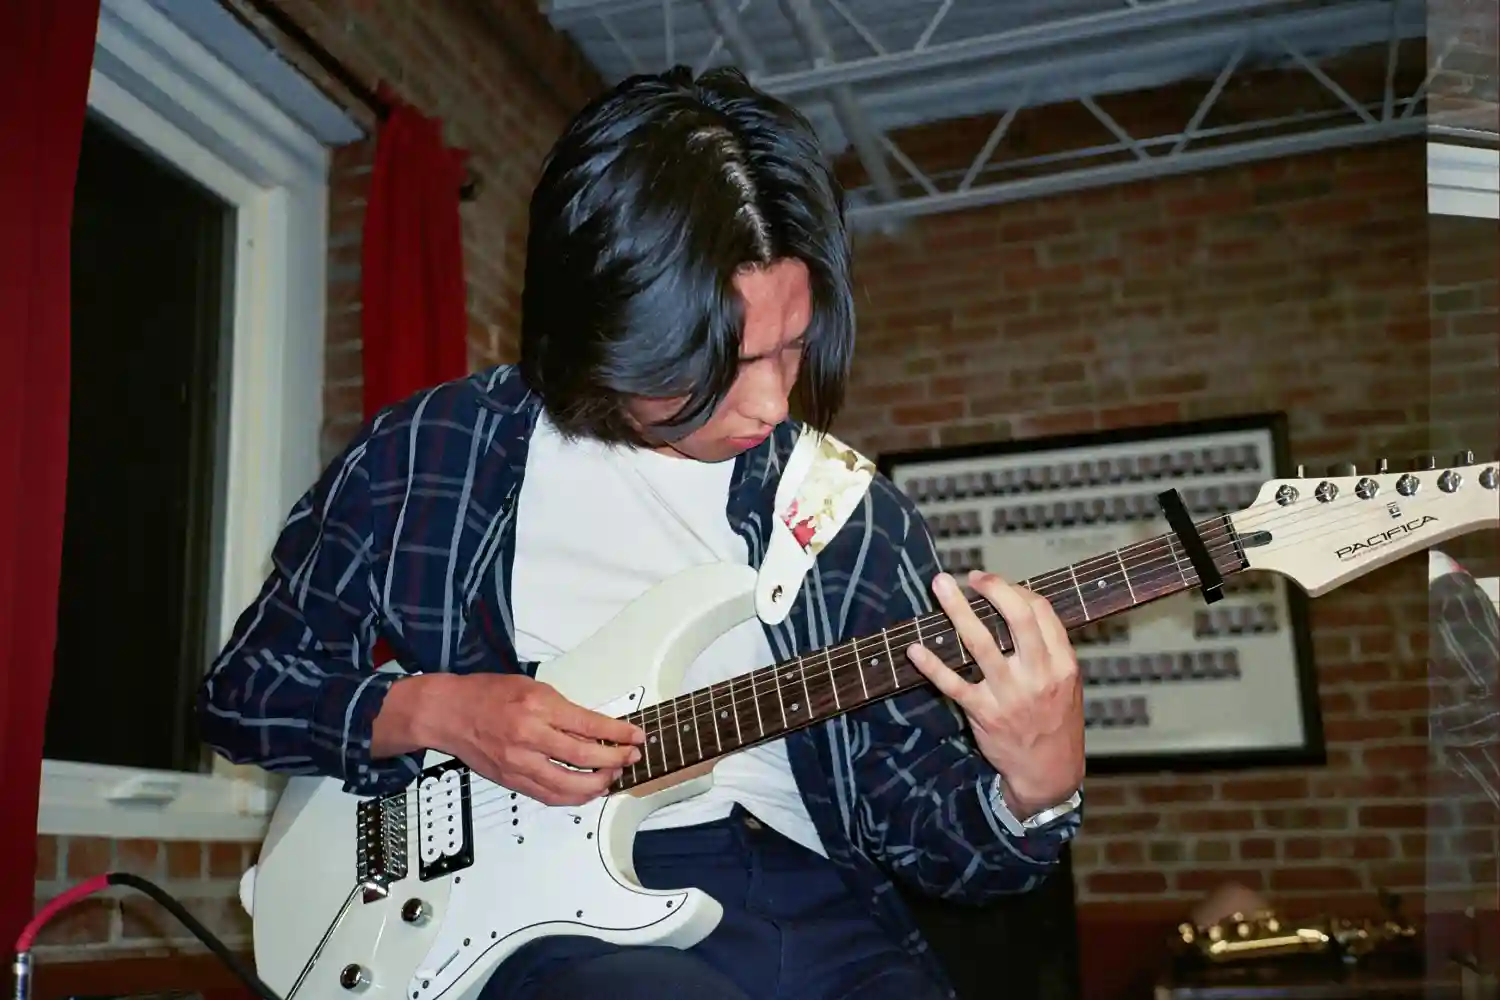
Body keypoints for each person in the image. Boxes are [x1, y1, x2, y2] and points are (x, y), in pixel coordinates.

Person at [199, 65, 1086, 1000]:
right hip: (539, 917)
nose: (771, 402)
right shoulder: (432, 455)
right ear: (603, 330)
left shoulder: (848, 516)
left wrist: (1035, 786)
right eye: (720, 363)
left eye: (793, 345)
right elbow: (246, 693)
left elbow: (935, 847)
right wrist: (438, 713)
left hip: (812, 904)